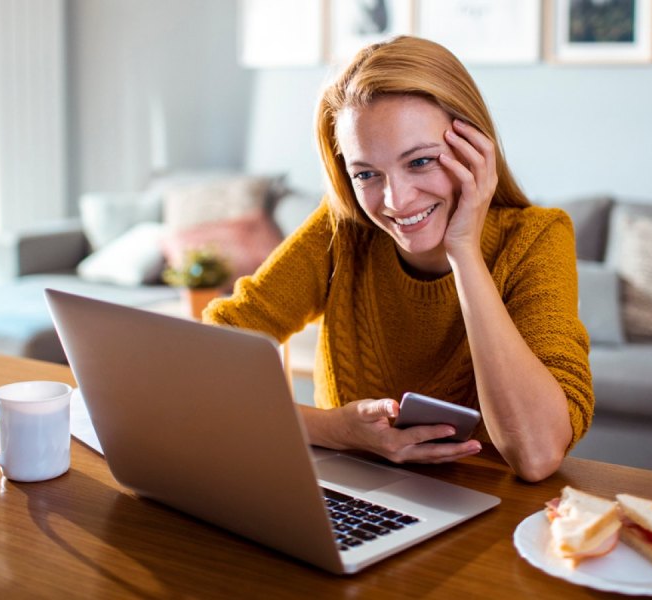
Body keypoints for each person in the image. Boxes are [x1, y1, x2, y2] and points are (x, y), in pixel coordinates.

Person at [204, 36, 593, 482]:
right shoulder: (344, 227)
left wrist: (464, 250)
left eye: (421, 161)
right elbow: (211, 355)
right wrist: (335, 429)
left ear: (475, 148)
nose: (396, 201)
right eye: (366, 173)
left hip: (486, 514)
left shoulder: (537, 237)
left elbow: (537, 453)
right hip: (347, 496)